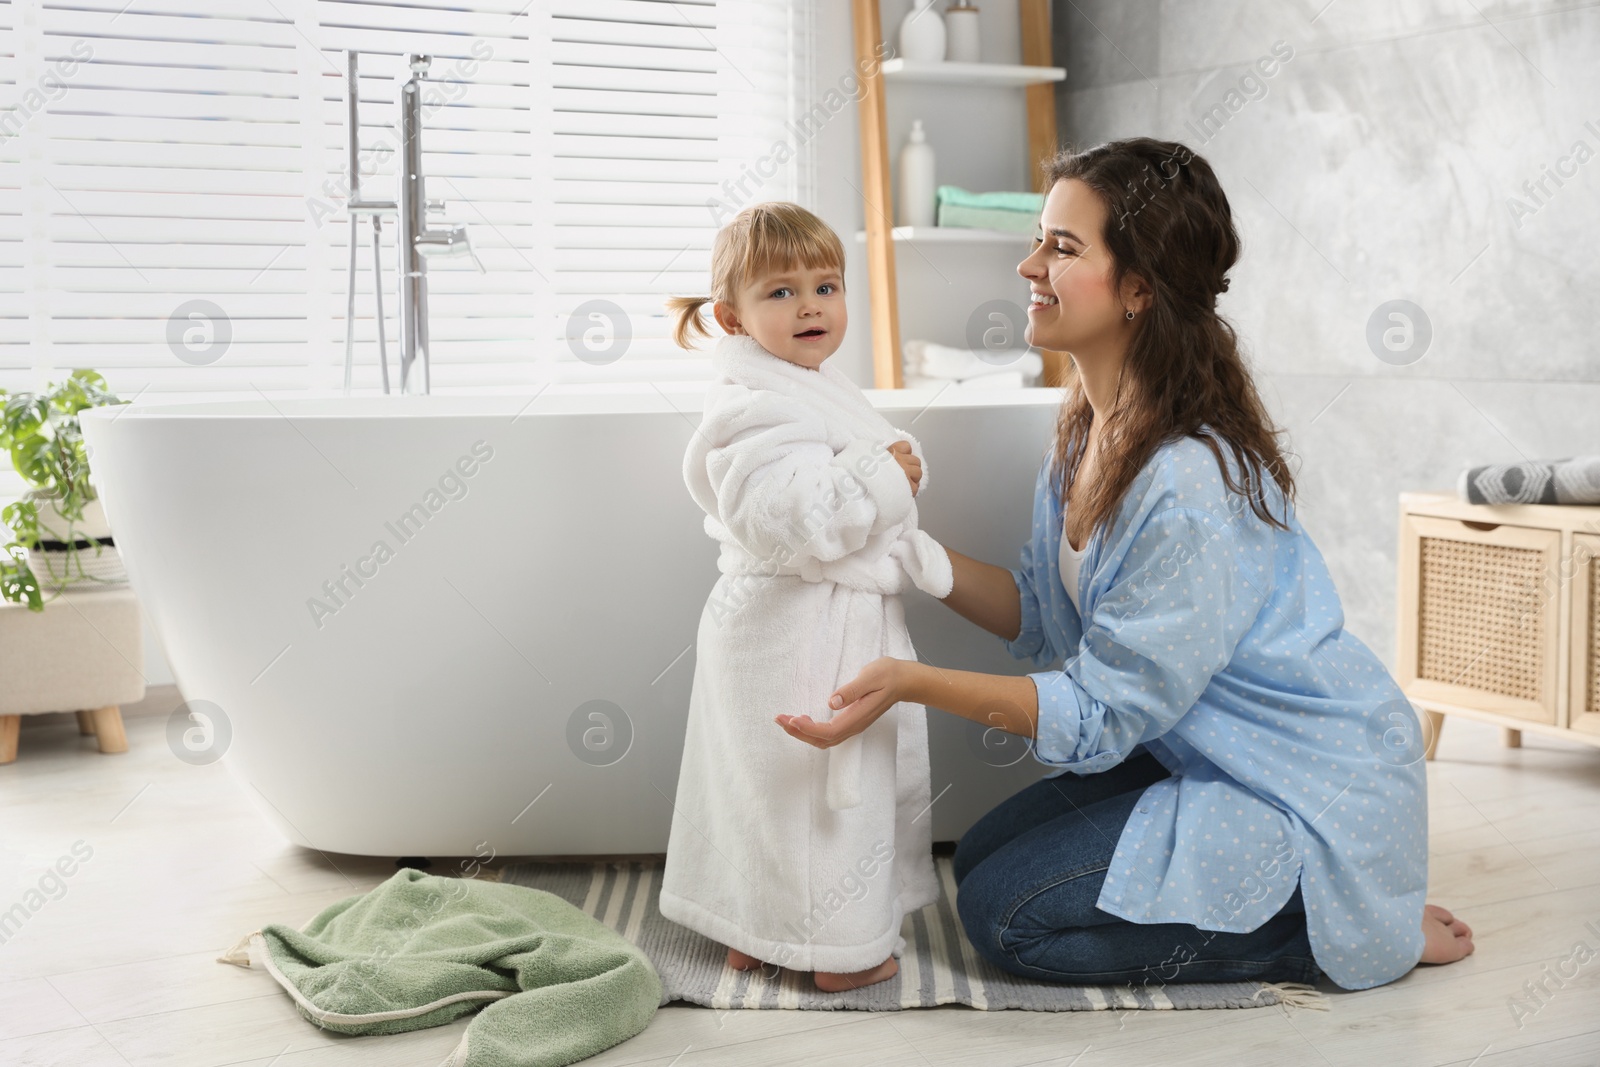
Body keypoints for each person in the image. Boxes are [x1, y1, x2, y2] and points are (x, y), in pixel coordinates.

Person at [776, 138, 1475, 992]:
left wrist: (909, 679)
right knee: (984, 854)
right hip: (1209, 750)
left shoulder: (1188, 483)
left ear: (1139, 287)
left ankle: (1330, 920)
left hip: (1308, 784)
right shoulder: (1087, 428)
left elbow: (1103, 712)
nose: (1030, 262)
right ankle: (1315, 902)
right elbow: (1040, 609)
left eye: (1063, 248)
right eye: (1041, 237)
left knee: (1005, 915)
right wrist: (901, 550)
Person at [658, 201, 952, 992]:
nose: (811, 305)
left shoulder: (803, 384)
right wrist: (889, 473)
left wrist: (887, 463)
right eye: (781, 292)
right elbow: (795, 516)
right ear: (732, 315)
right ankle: (844, 951)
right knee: (817, 794)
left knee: (768, 788)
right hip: (798, 622)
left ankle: (756, 930)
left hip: (786, 620)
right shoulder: (747, 405)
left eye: (826, 284)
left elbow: (833, 478)